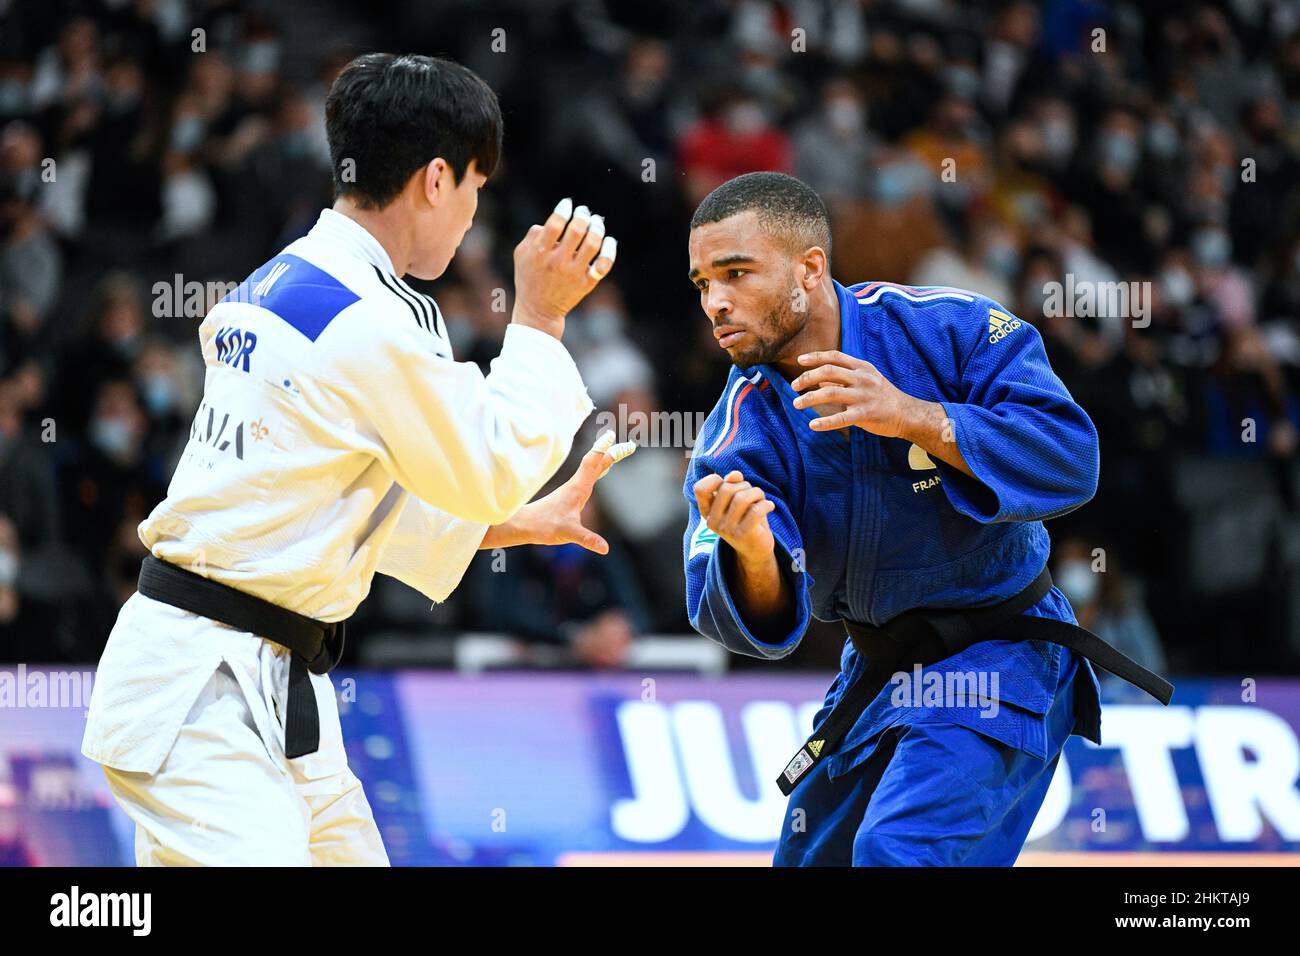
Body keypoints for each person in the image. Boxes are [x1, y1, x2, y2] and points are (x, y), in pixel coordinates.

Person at [82, 53, 626, 866]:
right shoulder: (368, 317)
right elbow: (483, 466)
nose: (476, 214)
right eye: (476, 188)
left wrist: (510, 525)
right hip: (201, 688)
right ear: (436, 179)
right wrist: (541, 316)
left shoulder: (282, 281)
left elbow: (333, 489)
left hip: (262, 681)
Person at [682, 172, 1169, 866]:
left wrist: (915, 417)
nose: (716, 302)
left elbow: (1070, 455)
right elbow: (745, 618)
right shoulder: (738, 431)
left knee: (901, 853)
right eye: (702, 283)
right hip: (878, 674)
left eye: (736, 273)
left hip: (1001, 657)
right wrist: (755, 554)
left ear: (809, 269)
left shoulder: (949, 327)